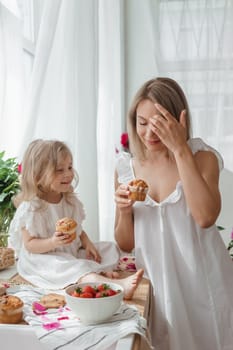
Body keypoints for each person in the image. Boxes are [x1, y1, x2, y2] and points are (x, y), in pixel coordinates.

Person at [114, 77, 233, 350]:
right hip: (159, 290)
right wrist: (123, 210)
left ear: (179, 119)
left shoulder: (202, 157)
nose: (149, 133)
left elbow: (205, 216)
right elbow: (125, 244)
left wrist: (179, 149)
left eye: (159, 123)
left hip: (204, 285)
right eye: (142, 123)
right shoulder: (125, 167)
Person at [9, 139, 143, 298]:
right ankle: (115, 285)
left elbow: (77, 229)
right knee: (68, 266)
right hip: (42, 259)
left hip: (68, 252)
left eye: (70, 167)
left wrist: (87, 243)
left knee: (108, 248)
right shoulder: (31, 207)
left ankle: (93, 272)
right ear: (38, 176)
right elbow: (30, 245)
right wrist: (53, 242)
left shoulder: (69, 201)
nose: (68, 174)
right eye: (59, 170)